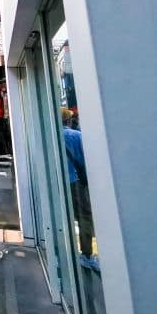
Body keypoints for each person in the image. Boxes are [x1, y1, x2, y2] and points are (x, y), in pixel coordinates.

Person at [61, 109, 99, 272]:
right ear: (69, 120)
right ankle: (87, 255)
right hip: (75, 181)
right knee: (85, 217)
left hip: (59, 181)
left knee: (65, 216)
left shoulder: (51, 136)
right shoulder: (76, 136)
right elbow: (88, 159)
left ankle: (64, 251)